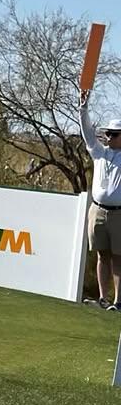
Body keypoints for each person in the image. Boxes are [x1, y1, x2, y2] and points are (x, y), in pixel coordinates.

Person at [79, 89, 121, 309]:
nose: (109, 137)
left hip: (119, 213)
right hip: (98, 211)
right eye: (108, 133)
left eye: (114, 134)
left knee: (118, 257)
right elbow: (87, 133)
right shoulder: (99, 152)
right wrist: (83, 109)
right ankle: (104, 299)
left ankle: (118, 302)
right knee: (102, 255)